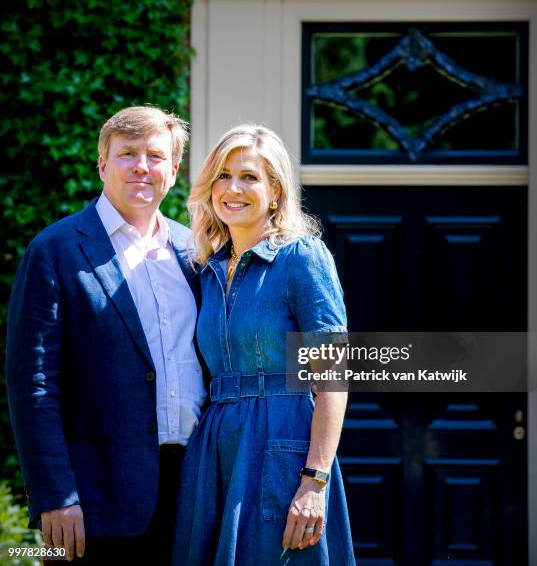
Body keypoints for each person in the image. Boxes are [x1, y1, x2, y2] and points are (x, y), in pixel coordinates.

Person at [6, 106, 207, 564]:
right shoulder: (54, 250)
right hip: (98, 497)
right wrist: (56, 494)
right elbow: (33, 386)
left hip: (194, 489)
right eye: (127, 154)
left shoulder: (195, 251)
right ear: (102, 164)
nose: (142, 166)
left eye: (156, 156)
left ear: (173, 171)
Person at [172, 124, 356, 565]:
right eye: (223, 175)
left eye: (249, 177)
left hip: (283, 441)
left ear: (275, 191)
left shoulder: (302, 256)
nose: (232, 188)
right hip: (216, 446)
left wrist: (315, 479)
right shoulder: (208, 269)